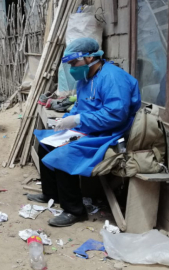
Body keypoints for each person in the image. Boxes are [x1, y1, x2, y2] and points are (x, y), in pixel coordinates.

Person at [30, 37, 141, 227]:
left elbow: (116, 115)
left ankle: (74, 210)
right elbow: (80, 107)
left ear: (90, 58)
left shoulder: (112, 77)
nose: (73, 67)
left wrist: (79, 120)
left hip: (110, 133)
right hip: (88, 129)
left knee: (65, 154)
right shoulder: (85, 79)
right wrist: (67, 120)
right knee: (46, 144)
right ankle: (51, 194)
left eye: (75, 62)